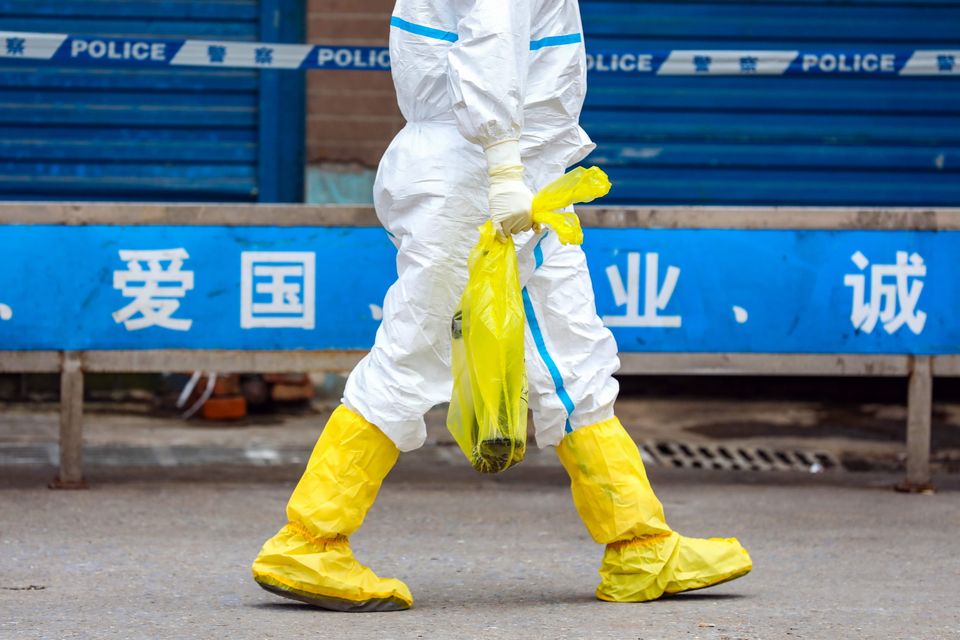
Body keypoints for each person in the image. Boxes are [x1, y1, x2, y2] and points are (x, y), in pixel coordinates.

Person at [251, 0, 752, 611]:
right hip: (484, 181)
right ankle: (310, 538)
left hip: (492, 175)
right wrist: (504, 168)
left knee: (569, 353)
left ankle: (638, 543)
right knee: (417, 355)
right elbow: (490, 42)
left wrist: (510, 170)